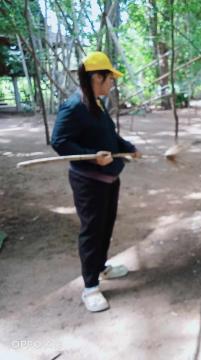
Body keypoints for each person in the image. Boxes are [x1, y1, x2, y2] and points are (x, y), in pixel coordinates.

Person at [51, 52, 141, 312]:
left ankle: (100, 267)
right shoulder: (74, 106)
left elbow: (109, 136)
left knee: (106, 225)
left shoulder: (98, 104)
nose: (112, 83)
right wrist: (92, 159)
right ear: (96, 78)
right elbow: (60, 141)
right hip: (89, 181)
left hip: (110, 177)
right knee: (92, 230)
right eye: (109, 78)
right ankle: (90, 287)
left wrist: (128, 147)